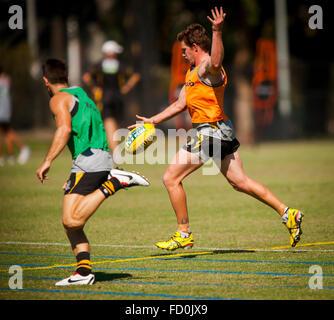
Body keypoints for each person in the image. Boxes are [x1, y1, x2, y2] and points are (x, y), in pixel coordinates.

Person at [129, 7, 303, 250]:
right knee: (240, 182)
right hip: (219, 129)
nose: (182, 55)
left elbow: (217, 59)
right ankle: (288, 213)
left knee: (171, 178)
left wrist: (217, 31)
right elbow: (180, 104)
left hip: (210, 131)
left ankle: (183, 232)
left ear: (196, 47)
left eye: (184, 50)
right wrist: (153, 121)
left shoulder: (208, 68)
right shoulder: (191, 73)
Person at [36, 59, 149, 286]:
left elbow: (65, 129)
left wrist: (47, 160)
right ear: (65, 76)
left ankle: (115, 182)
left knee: (71, 220)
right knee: (70, 224)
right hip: (96, 159)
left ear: (46, 81)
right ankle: (83, 272)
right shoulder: (83, 95)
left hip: (89, 162)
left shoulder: (58, 99)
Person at [82, 40, 140, 157]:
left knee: (109, 122)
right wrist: (126, 87)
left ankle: (114, 149)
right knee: (111, 122)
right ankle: (115, 149)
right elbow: (135, 76)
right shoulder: (120, 65)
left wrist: (94, 88)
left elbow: (86, 77)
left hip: (104, 98)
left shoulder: (99, 65)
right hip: (117, 97)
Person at [0, 66, 30, 166]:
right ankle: (11, 156)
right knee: (7, 132)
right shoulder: (6, 80)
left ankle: (3, 157)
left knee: (6, 132)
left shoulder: (2, 82)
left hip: (2, 110)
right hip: (6, 110)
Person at [169, 41, 192, 131]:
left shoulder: (178, 46)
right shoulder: (182, 47)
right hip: (182, 82)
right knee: (184, 109)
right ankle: (184, 131)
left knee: (180, 108)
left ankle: (183, 131)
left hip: (180, 82)